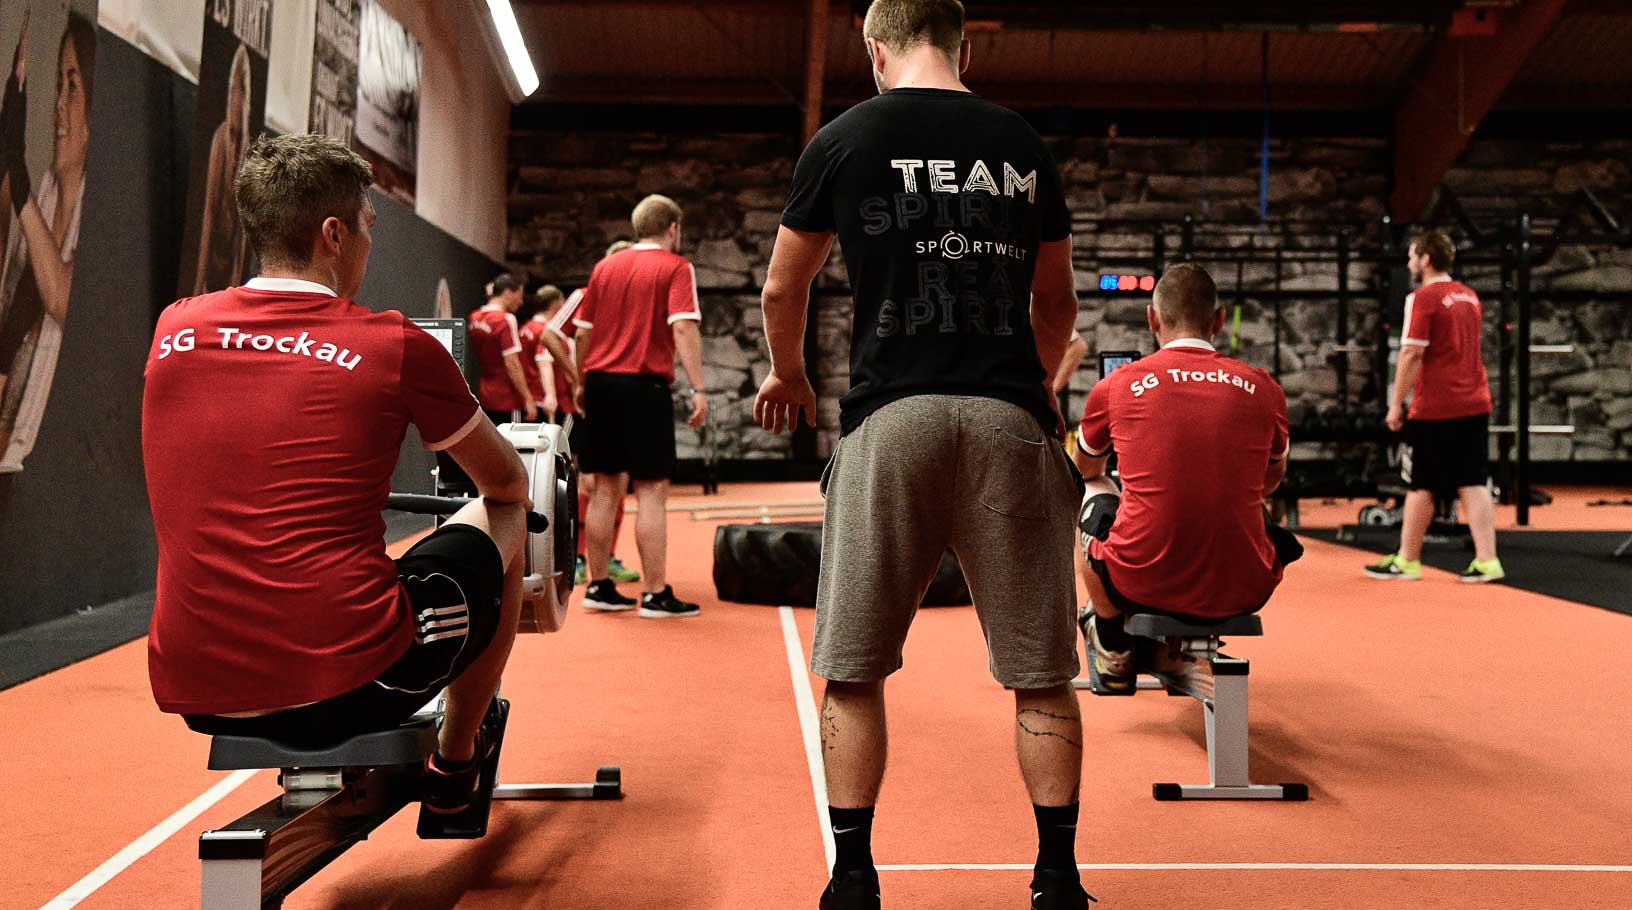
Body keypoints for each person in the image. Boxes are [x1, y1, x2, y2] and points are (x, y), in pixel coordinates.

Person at [751, 2, 1088, 907]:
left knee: (853, 666)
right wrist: (1040, 386)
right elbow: (1056, 304)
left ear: (874, 48)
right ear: (963, 44)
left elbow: (787, 283)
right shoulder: (1018, 142)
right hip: (1007, 418)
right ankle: (1056, 877)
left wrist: (789, 377)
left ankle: (854, 878)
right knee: (1040, 670)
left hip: (890, 420)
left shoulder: (846, 138)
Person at [143, 133, 533, 814]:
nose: (367, 244)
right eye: (367, 228)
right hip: (350, 684)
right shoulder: (394, 343)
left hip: (194, 692)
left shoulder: (174, 328)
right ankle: (456, 760)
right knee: (511, 510)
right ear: (333, 234)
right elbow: (504, 481)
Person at [1073, 264, 1301, 692]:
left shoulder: (1118, 385)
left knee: (1087, 490)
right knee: (1253, 503)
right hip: (1247, 584)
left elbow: (1085, 469)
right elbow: (1272, 481)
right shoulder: (1265, 387)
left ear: (1152, 319)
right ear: (1218, 321)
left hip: (1142, 578)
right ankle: (1160, 642)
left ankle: (1112, 641)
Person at [572, 195, 706, 617]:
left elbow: (580, 334)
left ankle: (598, 586)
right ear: (673, 229)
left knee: (605, 487)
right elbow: (683, 327)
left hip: (600, 384)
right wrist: (699, 388)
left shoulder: (604, 267)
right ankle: (654, 593)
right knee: (651, 490)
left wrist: (581, 382)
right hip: (644, 387)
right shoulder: (675, 267)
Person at [1364, 229, 1504, 583]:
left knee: (1420, 483)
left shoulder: (1422, 298)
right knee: (1473, 481)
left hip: (1437, 405)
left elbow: (1411, 352)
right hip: (1475, 401)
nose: (1410, 263)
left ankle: (1407, 560)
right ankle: (1488, 561)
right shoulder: (1469, 297)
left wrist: (1396, 405)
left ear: (1426, 259)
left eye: (1413, 256)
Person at [0, 12, 94, 469]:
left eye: (72, 87)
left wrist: (16, 185)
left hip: (51, 463)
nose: (59, 103)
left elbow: (62, 299)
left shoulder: (97, 209)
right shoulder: (47, 191)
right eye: (58, 84)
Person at [192, 43, 253, 296]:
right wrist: (196, 286)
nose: (235, 143)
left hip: (230, 271)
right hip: (212, 264)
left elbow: (242, 236)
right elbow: (208, 213)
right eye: (233, 134)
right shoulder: (219, 141)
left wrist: (236, 291)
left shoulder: (250, 153)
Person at [469, 273, 538, 426]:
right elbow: (512, 363)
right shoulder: (506, 320)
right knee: (512, 447)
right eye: (519, 296)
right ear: (507, 292)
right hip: (508, 399)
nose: (521, 302)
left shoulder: (474, 318)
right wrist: (528, 398)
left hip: (486, 395)